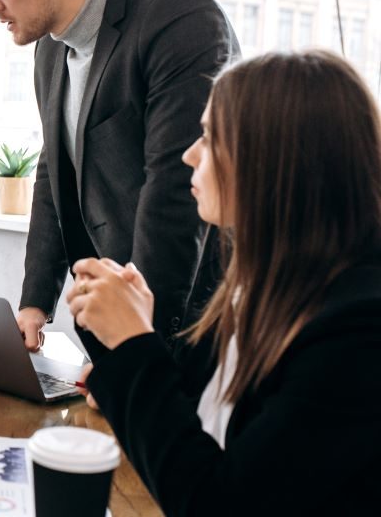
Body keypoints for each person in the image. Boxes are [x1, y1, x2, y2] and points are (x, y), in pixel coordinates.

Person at [67, 50, 381, 515]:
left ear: (275, 163)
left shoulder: (358, 333)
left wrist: (135, 345)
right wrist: (123, 367)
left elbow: (219, 502)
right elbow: (195, 418)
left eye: (211, 137)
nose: (190, 153)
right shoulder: (257, 285)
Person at [0, 0, 240, 356]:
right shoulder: (50, 48)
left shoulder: (180, 20)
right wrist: (35, 302)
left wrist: (135, 345)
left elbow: (174, 193)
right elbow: (54, 172)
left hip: (185, 321)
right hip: (115, 318)